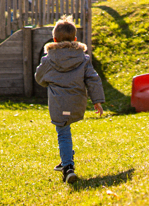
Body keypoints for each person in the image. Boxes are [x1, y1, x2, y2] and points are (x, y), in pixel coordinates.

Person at [35, 15, 105, 184]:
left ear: (54, 39)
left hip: (60, 104)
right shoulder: (83, 58)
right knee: (65, 130)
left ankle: (68, 168)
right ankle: (66, 158)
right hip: (77, 103)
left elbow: (39, 77)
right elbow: (93, 79)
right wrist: (97, 100)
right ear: (75, 39)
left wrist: (49, 82)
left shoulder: (49, 59)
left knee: (63, 133)